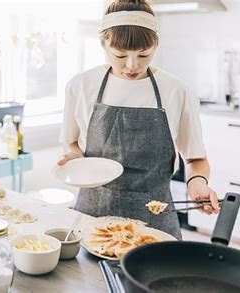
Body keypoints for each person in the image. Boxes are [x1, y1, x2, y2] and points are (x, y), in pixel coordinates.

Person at [57, 0, 220, 240]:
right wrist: (74, 159)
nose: (132, 66)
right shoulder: (81, 86)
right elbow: (71, 144)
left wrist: (197, 182)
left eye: (144, 54)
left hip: (155, 220)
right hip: (91, 218)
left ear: (156, 44)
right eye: (120, 55)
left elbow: (196, 158)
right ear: (103, 44)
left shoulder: (177, 91)